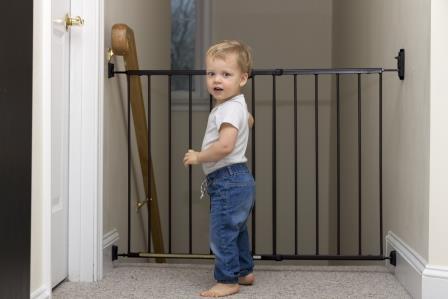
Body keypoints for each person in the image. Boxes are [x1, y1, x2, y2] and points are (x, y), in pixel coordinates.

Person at [183, 40, 255, 297]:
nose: (217, 80)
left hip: (228, 179)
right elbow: (249, 119)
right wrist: (246, 119)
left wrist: (199, 156)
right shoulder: (237, 105)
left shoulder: (228, 109)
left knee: (223, 230)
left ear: (243, 78)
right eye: (211, 73)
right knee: (237, 229)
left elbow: (224, 147)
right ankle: (245, 271)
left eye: (226, 74)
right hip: (239, 179)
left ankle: (227, 280)